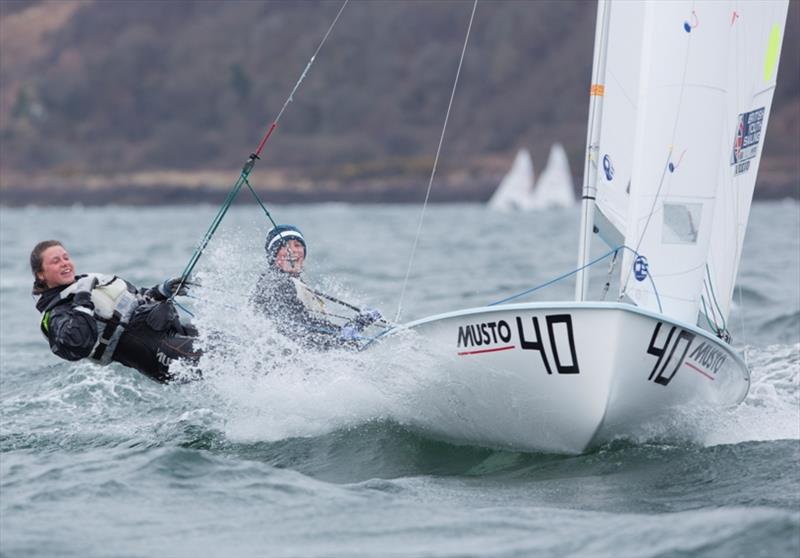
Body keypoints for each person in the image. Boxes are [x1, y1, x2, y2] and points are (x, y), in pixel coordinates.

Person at [30, 240, 201, 383]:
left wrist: (161, 291)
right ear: (41, 275)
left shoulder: (88, 282)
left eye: (66, 257)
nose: (64, 263)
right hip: (154, 352)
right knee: (219, 355)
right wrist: (83, 298)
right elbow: (76, 343)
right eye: (55, 261)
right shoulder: (56, 313)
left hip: (171, 328)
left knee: (226, 343)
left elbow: (134, 301)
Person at [250, 224, 382, 349]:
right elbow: (298, 327)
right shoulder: (277, 283)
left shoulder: (291, 281)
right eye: (285, 246)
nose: (293, 251)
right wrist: (351, 329)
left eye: (297, 245)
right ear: (273, 255)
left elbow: (308, 323)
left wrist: (351, 327)